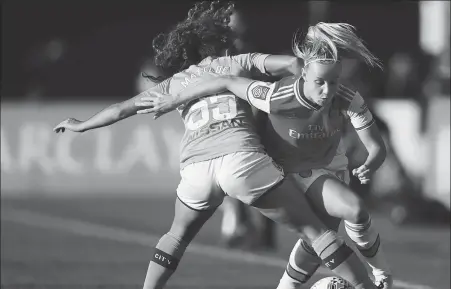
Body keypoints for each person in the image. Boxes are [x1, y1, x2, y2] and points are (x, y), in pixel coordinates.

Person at [53, 3, 378, 289]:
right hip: (241, 160)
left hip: (196, 169)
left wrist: (81, 125)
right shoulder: (237, 63)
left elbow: (121, 109)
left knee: (176, 236)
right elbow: (295, 66)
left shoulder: (174, 83)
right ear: (223, 44)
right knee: (315, 231)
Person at [136, 22, 393, 289]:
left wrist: (371, 164)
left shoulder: (347, 96)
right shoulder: (275, 95)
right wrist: (175, 100)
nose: (328, 90)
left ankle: (370, 276)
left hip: (328, 168)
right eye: (320, 82)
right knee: (340, 221)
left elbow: (376, 147)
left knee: (330, 231)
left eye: (334, 81)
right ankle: (376, 279)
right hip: (291, 173)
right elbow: (226, 80)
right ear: (304, 73)